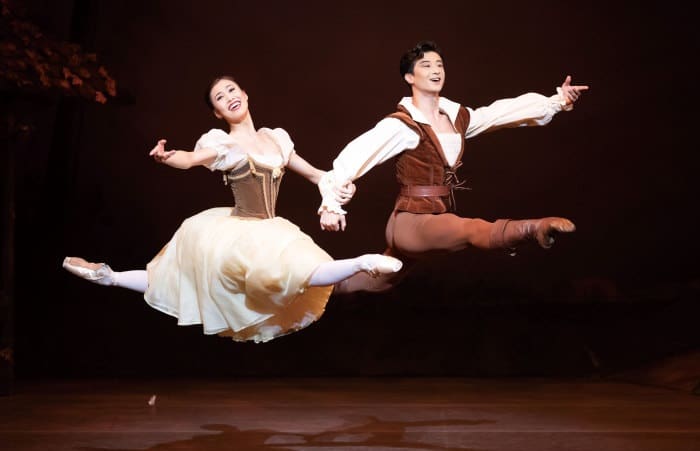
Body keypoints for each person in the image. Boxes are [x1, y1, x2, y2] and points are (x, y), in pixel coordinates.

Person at [63, 75, 402, 343]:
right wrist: (169, 158)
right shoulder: (222, 143)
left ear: (245, 94)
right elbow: (191, 159)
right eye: (220, 98)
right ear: (217, 112)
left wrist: (340, 185)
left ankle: (111, 278)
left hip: (272, 230)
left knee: (307, 275)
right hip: (237, 233)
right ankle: (364, 262)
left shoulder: (276, 139)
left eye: (231, 90)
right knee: (173, 278)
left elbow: (316, 175)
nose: (229, 98)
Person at [317, 41, 589, 293]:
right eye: (426, 65)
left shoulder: (458, 118)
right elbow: (357, 154)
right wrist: (331, 204)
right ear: (410, 77)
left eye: (439, 65)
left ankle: (313, 289)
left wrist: (556, 101)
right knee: (469, 230)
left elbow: (499, 113)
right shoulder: (402, 125)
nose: (436, 70)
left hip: (435, 216)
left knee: (377, 281)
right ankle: (533, 229)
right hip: (409, 222)